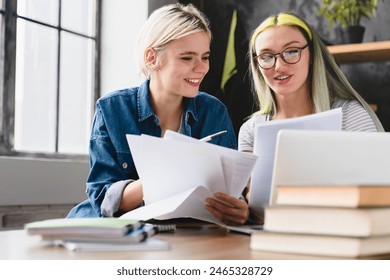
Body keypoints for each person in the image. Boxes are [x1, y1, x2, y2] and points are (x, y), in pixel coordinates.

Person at [67, 3, 250, 226]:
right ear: (152, 58)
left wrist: (239, 210)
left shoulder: (213, 111)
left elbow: (230, 194)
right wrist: (166, 175)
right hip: (123, 232)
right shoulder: (111, 109)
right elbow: (103, 200)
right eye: (187, 57)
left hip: (189, 234)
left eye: (205, 56)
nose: (201, 67)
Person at [239, 11, 384, 154]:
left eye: (292, 51)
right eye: (267, 57)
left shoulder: (350, 115)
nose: (279, 67)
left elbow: (376, 174)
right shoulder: (251, 131)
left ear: (313, 56)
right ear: (257, 65)